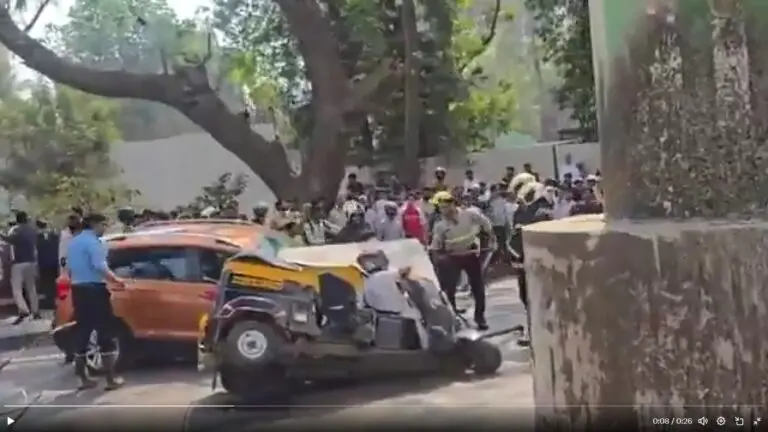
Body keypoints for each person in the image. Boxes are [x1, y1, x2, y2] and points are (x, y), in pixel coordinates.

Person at [66, 213, 127, 390]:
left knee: (83, 331)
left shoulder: (74, 242)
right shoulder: (93, 243)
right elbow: (99, 265)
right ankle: (110, 379)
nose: (104, 228)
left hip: (78, 289)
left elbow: (69, 267)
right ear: (93, 224)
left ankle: (83, 378)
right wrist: (117, 280)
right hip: (94, 289)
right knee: (105, 332)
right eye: (102, 224)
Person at [430, 194, 496, 330]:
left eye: (446, 207)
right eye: (441, 208)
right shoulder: (440, 225)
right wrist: (438, 262)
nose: (444, 211)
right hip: (452, 257)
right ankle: (453, 317)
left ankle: (480, 317)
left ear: (453, 204)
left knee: (478, 287)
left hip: (470, 255)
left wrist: (490, 239)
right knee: (449, 289)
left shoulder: (470, 215)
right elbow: (435, 247)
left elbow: (487, 226)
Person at [510, 181, 554, 347]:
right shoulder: (518, 213)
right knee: (526, 298)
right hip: (522, 261)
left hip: (539, 262)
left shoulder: (543, 212)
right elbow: (514, 236)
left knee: (542, 297)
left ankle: (543, 330)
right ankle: (532, 330)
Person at [3, 211, 40, 325]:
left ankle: (23, 310)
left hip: (19, 262)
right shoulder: (32, 230)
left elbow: (10, 240)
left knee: (17, 288)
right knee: (31, 288)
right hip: (31, 261)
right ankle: (35, 310)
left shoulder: (17, 230)